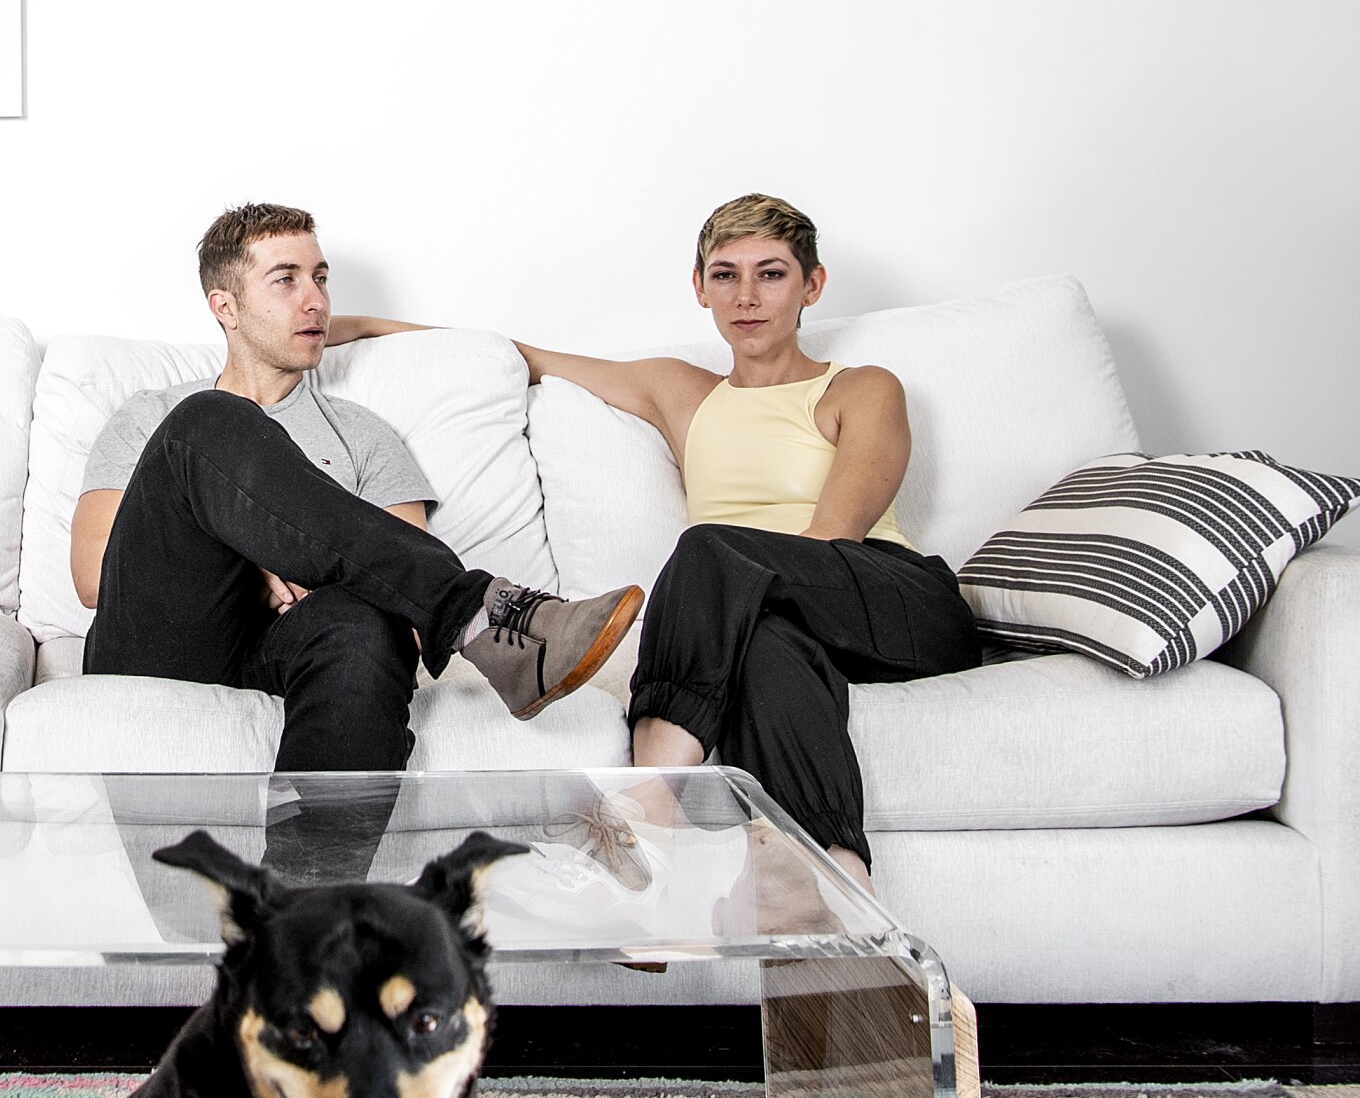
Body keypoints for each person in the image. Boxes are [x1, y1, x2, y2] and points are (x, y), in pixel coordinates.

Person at [330, 192, 981, 879]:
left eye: (772, 273)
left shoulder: (861, 388)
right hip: (774, 621)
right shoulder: (684, 393)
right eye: (726, 274)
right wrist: (370, 323)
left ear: (811, 285)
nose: (747, 296)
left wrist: (729, 587)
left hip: (890, 602)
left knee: (710, 547)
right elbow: (517, 356)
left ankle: (646, 804)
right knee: (764, 658)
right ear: (700, 289)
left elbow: (831, 537)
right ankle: (835, 888)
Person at [74, 202, 643, 777]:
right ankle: (480, 615)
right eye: (285, 280)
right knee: (208, 419)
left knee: (367, 623)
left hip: (284, 651)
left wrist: (310, 559)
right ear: (226, 307)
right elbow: (95, 579)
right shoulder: (159, 421)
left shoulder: (363, 438)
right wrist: (264, 551)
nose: (315, 300)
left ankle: (317, 866)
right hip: (161, 640)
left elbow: (401, 604)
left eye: (320, 278)